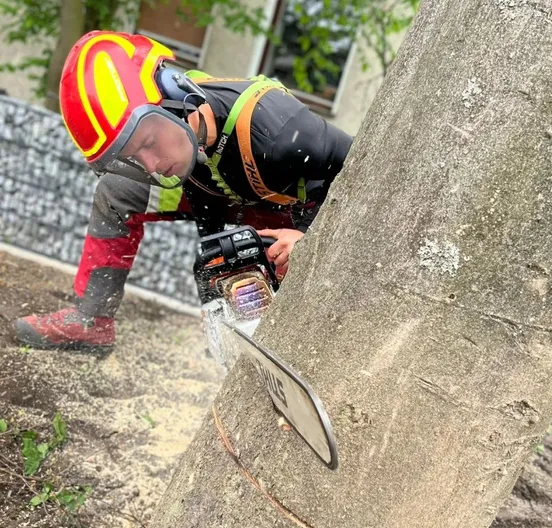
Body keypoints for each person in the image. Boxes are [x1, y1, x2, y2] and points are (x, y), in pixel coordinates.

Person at [15, 30, 352, 352]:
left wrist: (311, 237)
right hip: (228, 192)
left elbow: (362, 171)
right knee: (119, 187)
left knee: (289, 264)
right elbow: (200, 190)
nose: (150, 165)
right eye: (134, 155)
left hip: (303, 205)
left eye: (148, 143)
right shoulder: (181, 142)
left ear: (176, 97)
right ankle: (93, 320)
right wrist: (215, 264)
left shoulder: (281, 132)